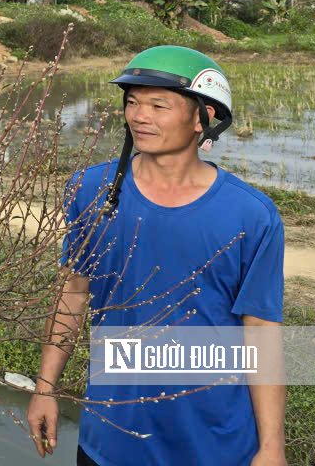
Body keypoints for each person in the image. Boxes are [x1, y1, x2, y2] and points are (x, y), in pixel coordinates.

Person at [25, 45, 286, 466]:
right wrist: (44, 387)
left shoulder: (252, 216)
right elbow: (73, 293)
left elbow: (261, 330)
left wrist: (272, 446)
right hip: (110, 440)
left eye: (158, 104)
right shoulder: (91, 191)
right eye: (132, 102)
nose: (139, 116)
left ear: (205, 118)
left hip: (214, 445)